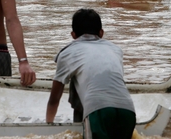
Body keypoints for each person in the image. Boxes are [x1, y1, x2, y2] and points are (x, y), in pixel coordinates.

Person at [46, 9, 136, 137]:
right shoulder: (115, 50)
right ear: (101, 33)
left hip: (98, 111)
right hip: (128, 109)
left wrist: (47, 129)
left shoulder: (68, 52)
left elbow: (54, 100)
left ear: (73, 35)